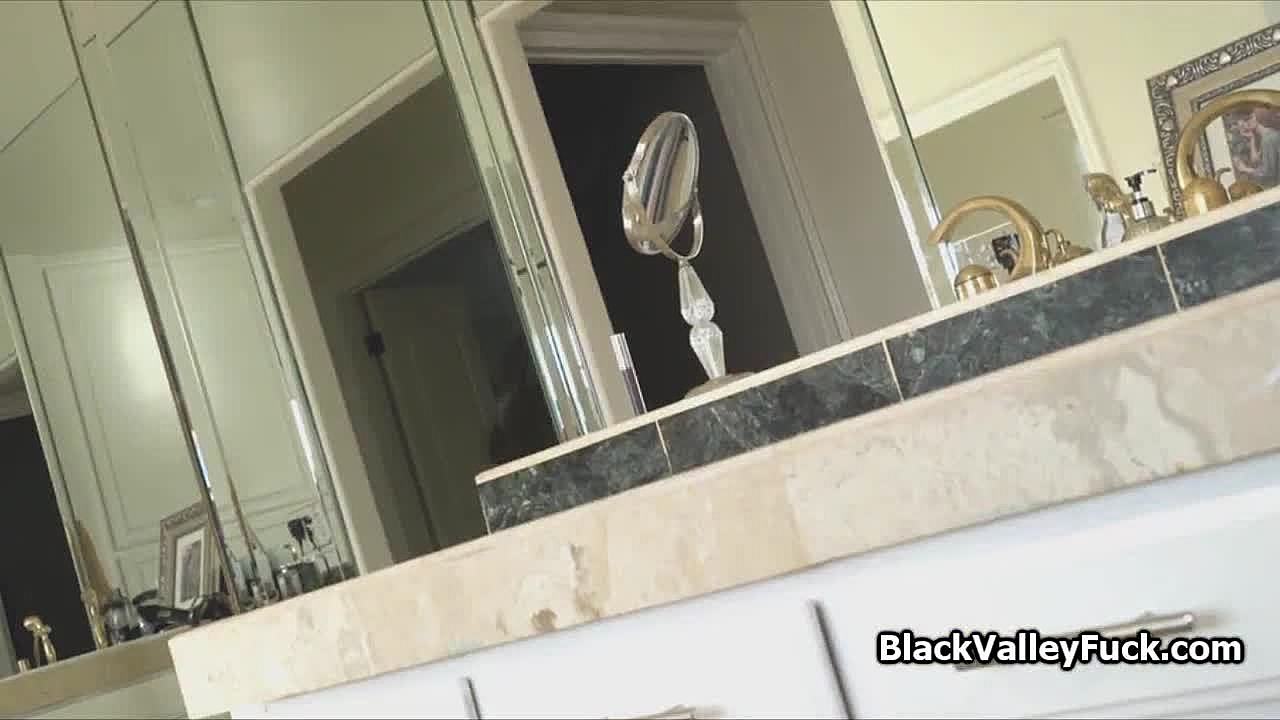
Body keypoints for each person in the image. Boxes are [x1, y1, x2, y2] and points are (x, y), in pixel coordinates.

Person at [1234, 107, 1280, 188]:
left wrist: (1245, 169)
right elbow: (1255, 161)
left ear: (1254, 117)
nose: (1244, 127)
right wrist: (1252, 139)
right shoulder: (1267, 135)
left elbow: (1267, 174)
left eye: (1246, 120)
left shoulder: (1268, 139)